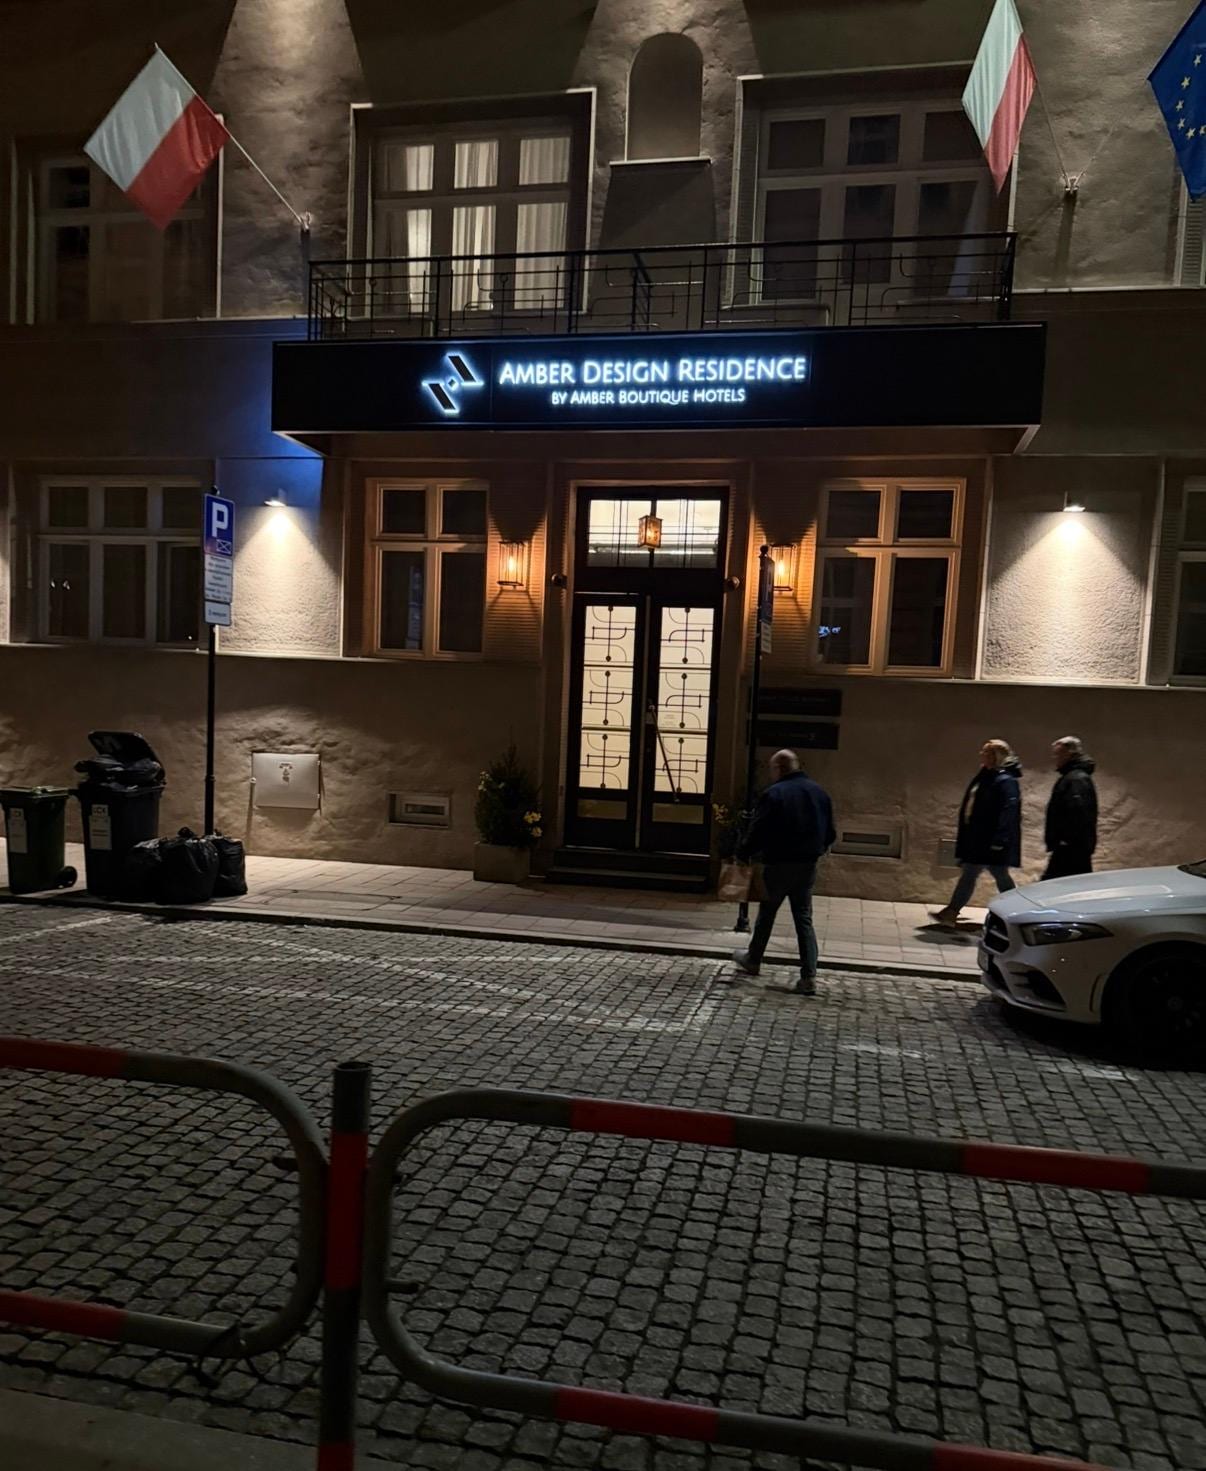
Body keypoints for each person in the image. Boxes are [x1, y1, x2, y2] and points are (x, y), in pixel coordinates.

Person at [731, 749, 836, 996]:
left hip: (778, 864)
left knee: (767, 914)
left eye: (772, 769)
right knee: (804, 918)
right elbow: (831, 831)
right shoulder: (819, 792)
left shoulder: (774, 793)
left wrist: (743, 852)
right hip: (807, 865)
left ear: (779, 768)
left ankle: (753, 959)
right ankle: (809, 975)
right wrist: (818, 850)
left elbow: (759, 829)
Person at [930, 738, 1022, 928]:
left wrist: (999, 839)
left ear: (996, 756)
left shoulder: (1005, 780)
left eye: (986, 752)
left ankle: (953, 911)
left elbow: (1009, 811)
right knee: (989, 874)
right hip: (980, 838)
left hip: (991, 840)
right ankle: (1015, 911)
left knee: (981, 873)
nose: (982, 755)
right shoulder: (987, 776)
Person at [1042, 736, 1098, 879]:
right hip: (1072, 846)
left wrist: (1065, 840)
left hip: (1071, 847)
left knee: (1053, 884)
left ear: (1069, 754)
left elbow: (1079, 812)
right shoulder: (1072, 777)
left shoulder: (1076, 779)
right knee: (1077, 884)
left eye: (1058, 754)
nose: (1055, 758)